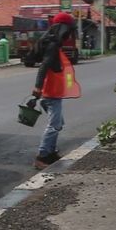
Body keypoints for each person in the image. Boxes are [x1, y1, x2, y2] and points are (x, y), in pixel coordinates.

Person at [30, 12, 82, 170]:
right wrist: (37, 88)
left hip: (53, 92)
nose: (68, 35)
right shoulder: (52, 45)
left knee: (58, 123)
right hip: (50, 93)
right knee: (54, 125)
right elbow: (44, 66)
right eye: (68, 31)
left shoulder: (54, 44)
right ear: (62, 29)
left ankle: (51, 153)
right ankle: (42, 156)